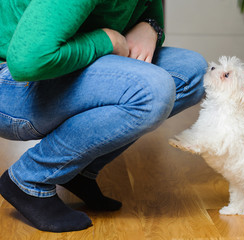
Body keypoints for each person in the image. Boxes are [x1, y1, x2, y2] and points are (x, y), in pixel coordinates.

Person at [0, 0, 206, 233]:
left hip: (67, 66)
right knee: (153, 90)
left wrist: (150, 28)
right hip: (12, 84)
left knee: (194, 72)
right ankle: (29, 179)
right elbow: (27, 62)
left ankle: (78, 170)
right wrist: (106, 40)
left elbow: (149, 14)